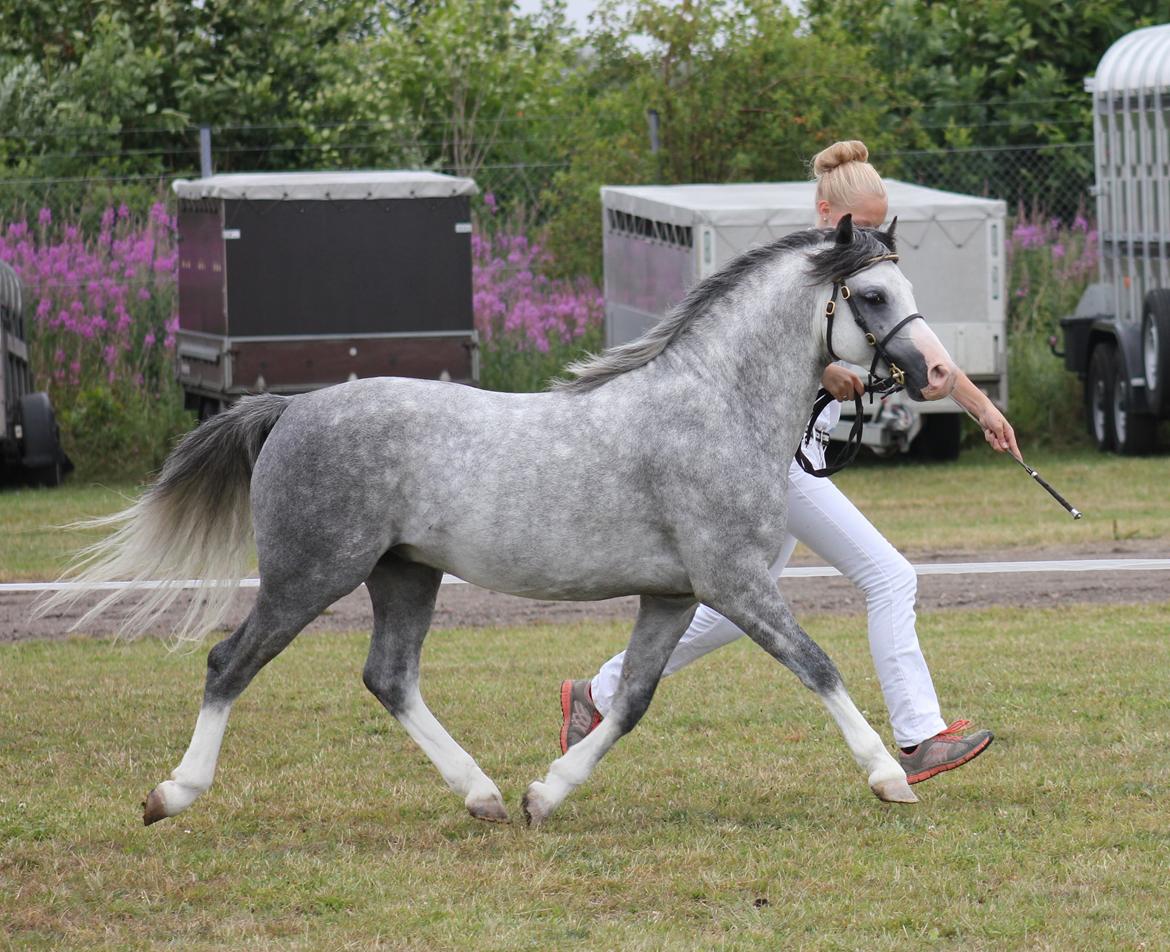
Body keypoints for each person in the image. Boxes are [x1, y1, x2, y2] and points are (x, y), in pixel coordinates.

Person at [559, 140, 1019, 785]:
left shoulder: (853, 271)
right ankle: (919, 736)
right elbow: (757, 356)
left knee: (732, 608)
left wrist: (983, 409)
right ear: (826, 212)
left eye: (878, 226)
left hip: (794, 456)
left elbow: (912, 338)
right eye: (858, 226)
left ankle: (597, 694)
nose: (867, 240)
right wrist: (825, 371)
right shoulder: (797, 275)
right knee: (890, 577)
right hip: (777, 464)